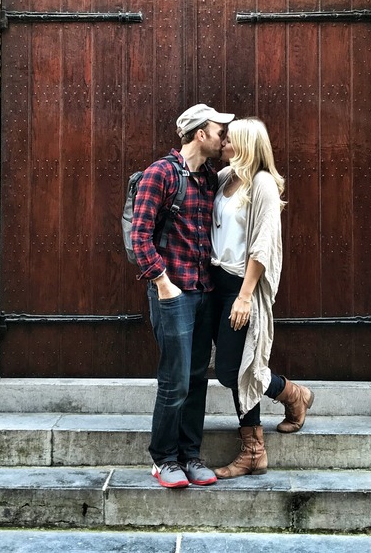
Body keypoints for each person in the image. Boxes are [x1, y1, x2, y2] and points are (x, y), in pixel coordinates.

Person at [131, 103, 234, 489]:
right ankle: (164, 459)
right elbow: (139, 236)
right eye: (218, 128)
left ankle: (190, 455)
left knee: (195, 378)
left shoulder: (210, 178)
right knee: (174, 379)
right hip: (173, 293)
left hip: (204, 290)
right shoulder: (161, 174)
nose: (224, 135)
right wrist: (162, 281)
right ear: (199, 134)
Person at [209, 118, 314, 479]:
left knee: (237, 368)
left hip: (242, 287)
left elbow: (262, 245)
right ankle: (292, 394)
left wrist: (245, 296)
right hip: (216, 284)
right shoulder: (225, 179)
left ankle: (253, 450)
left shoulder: (262, 184)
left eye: (229, 139)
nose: (222, 142)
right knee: (229, 369)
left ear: (245, 145)